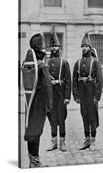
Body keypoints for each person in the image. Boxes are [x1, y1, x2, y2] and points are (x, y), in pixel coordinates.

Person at [24, 33, 53, 167]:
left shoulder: (27, 64)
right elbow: (48, 88)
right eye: (43, 47)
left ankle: (32, 159)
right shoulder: (42, 66)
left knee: (31, 130)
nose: (45, 50)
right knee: (36, 131)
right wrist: (49, 106)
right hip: (40, 104)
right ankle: (35, 162)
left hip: (29, 104)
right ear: (40, 49)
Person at [72, 33, 103, 150]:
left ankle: (93, 140)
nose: (84, 48)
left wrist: (97, 96)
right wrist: (76, 95)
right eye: (83, 46)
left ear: (90, 47)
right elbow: (74, 80)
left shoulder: (95, 62)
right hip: (82, 94)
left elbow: (99, 80)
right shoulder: (78, 62)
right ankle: (86, 139)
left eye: (86, 46)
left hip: (92, 94)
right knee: (84, 115)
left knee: (92, 117)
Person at [47, 33, 71, 152]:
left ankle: (62, 141)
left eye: (56, 46)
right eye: (52, 46)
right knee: (52, 118)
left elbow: (68, 80)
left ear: (59, 47)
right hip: (51, 95)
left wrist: (67, 97)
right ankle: (53, 142)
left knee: (61, 118)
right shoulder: (47, 62)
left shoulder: (64, 62)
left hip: (61, 95)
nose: (54, 48)